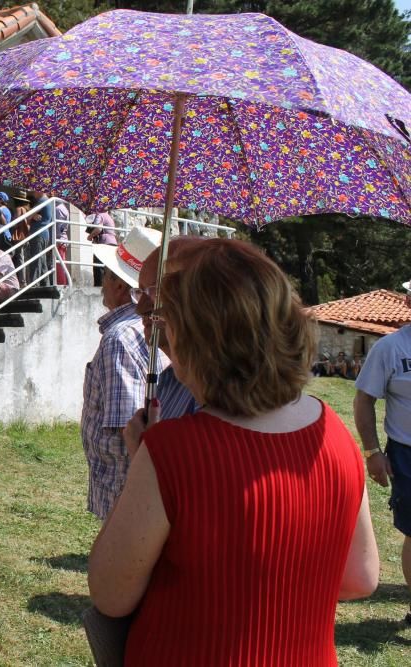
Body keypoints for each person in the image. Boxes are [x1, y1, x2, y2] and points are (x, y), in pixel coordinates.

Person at [90, 239, 378, 665]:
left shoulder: (172, 452)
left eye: (166, 317)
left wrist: (140, 462)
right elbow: (362, 578)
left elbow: (111, 595)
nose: (157, 328)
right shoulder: (333, 433)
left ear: (198, 336)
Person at [81, 225, 163, 520]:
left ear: (118, 284)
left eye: (105, 275)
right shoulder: (149, 328)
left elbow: (127, 428)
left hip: (122, 482)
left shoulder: (119, 338)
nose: (101, 283)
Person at [354, 278, 411, 625]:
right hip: (407, 454)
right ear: (408, 302)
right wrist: (373, 451)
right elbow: (364, 400)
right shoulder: (390, 348)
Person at [131, 237, 205, 421]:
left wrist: (148, 447)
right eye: (140, 291)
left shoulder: (221, 393)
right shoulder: (168, 380)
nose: (140, 309)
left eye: (155, 291)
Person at [27, 191, 52, 286]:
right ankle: (45, 283)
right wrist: (34, 215)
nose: (32, 192)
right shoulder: (47, 201)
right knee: (42, 260)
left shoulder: (42, 201)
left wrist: (32, 215)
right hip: (44, 234)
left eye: (34, 190)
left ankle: (34, 285)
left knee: (36, 259)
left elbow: (28, 216)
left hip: (38, 234)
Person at [87, 211, 117, 287]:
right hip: (112, 243)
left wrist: (90, 236)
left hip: (103, 243)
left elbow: (98, 228)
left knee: (98, 267)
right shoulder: (109, 217)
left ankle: (99, 287)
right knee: (108, 269)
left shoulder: (100, 215)